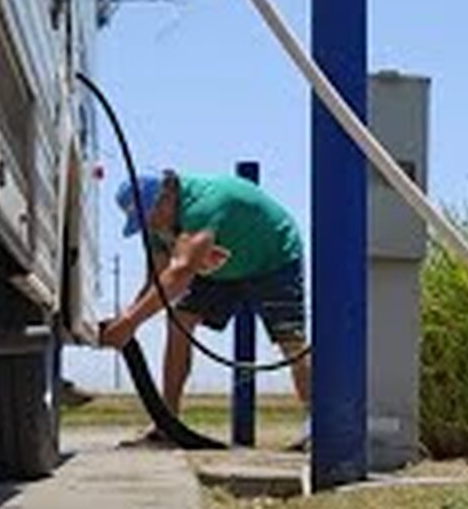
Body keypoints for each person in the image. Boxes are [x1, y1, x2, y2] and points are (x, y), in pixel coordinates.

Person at [98, 169, 311, 450]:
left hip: (273, 258)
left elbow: (181, 272)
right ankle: (167, 424)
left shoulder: (203, 205)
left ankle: (317, 427)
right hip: (218, 269)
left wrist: (128, 323)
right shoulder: (156, 226)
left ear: (166, 198)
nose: (149, 226)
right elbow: (158, 281)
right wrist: (128, 320)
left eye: (150, 217)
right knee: (178, 322)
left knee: (291, 340)